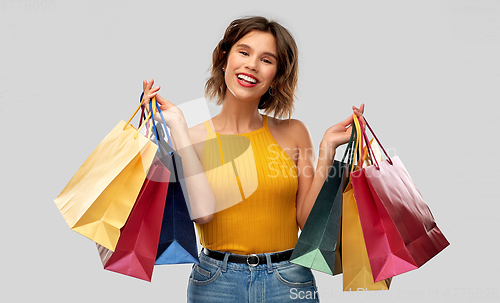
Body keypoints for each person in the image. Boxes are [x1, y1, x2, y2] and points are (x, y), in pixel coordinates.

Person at [142, 16, 364, 303]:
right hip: (215, 282)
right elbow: (203, 214)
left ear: (277, 76)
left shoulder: (293, 132)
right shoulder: (193, 136)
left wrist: (326, 151)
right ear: (225, 59)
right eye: (244, 52)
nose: (251, 65)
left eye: (266, 60)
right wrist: (179, 129)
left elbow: (308, 223)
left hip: (289, 279)